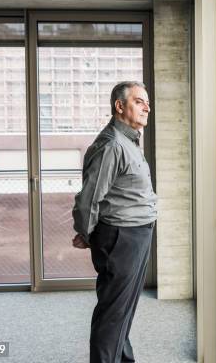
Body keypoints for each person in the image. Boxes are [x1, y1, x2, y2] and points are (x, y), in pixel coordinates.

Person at [71, 81, 157, 363]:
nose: (147, 106)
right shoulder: (112, 145)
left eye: (147, 101)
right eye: (139, 101)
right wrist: (86, 233)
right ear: (120, 106)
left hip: (136, 234)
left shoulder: (129, 140)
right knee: (113, 313)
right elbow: (90, 198)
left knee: (124, 309)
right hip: (122, 237)